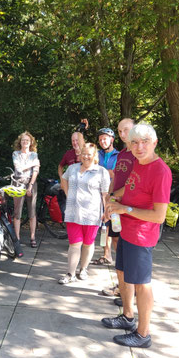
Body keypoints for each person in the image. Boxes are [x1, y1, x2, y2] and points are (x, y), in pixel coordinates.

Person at [101, 123, 172, 348]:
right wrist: (114, 198)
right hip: (126, 231)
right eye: (134, 143)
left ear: (154, 143)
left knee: (142, 284)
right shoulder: (139, 164)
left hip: (142, 236)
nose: (139, 147)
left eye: (144, 142)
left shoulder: (160, 171)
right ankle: (128, 317)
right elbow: (130, 188)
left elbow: (159, 216)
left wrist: (126, 209)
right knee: (121, 273)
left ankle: (143, 334)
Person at [58, 143, 110, 284]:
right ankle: (70, 274)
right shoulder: (73, 168)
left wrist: (106, 212)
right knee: (74, 244)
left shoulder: (101, 172)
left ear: (95, 156)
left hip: (92, 214)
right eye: (84, 153)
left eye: (89, 154)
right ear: (80, 154)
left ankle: (84, 269)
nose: (86, 156)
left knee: (88, 243)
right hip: (73, 212)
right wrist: (68, 194)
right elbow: (64, 179)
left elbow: (105, 194)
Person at [99, 118, 135, 294]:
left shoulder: (137, 155)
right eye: (120, 131)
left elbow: (132, 184)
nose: (122, 134)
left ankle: (129, 287)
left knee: (127, 248)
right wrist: (109, 199)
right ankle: (122, 286)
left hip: (128, 209)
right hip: (115, 207)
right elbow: (115, 179)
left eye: (126, 130)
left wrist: (114, 197)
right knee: (115, 242)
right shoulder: (121, 154)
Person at [92, 127, 119, 264]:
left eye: (105, 139)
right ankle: (106, 254)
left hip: (114, 195)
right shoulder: (97, 154)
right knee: (104, 226)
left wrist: (106, 172)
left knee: (115, 228)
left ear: (112, 140)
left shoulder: (119, 155)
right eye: (100, 139)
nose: (103, 141)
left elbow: (115, 174)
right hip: (99, 194)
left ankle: (120, 259)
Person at [12, 131, 40, 248]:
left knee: (32, 212)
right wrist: (31, 164)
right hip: (18, 183)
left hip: (31, 183)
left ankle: (32, 236)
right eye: (23, 140)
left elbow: (36, 171)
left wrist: (30, 185)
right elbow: (18, 169)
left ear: (31, 142)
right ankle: (17, 238)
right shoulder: (15, 153)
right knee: (17, 212)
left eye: (27, 140)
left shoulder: (34, 155)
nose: (25, 142)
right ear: (20, 142)